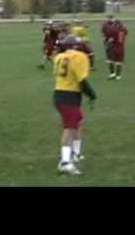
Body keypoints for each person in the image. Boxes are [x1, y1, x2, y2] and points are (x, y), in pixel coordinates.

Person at [53, 35, 96, 176]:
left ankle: (75, 153)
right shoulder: (79, 57)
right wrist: (91, 95)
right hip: (69, 95)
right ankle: (65, 162)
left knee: (79, 122)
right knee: (69, 128)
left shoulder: (59, 57)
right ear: (77, 46)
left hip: (61, 93)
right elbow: (82, 80)